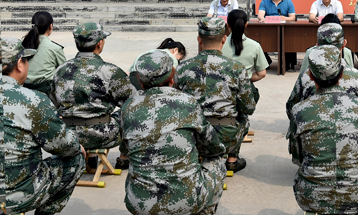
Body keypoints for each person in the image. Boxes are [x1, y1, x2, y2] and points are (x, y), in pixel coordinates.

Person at [121, 50, 227, 215]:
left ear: (140, 82)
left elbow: (126, 150)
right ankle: (205, 211)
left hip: (140, 203)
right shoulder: (188, 103)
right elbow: (212, 146)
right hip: (187, 202)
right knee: (218, 160)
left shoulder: (128, 107)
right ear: (172, 77)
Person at [1, 37, 86, 215]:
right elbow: (65, 147)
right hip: (17, 194)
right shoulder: (33, 100)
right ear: (19, 64)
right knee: (76, 158)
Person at [289, 45, 358, 215]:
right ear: (342, 74)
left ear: (311, 75)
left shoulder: (299, 111)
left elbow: (297, 157)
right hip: (356, 193)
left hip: (312, 195)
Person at [287, 23, 358, 166]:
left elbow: (291, 111)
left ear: (316, 45)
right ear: (344, 44)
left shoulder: (306, 77)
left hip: (314, 155)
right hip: (353, 156)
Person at [50, 22, 136, 170]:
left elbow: (53, 100)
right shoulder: (110, 70)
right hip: (102, 134)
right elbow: (133, 101)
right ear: (100, 43)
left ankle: (91, 158)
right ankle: (124, 158)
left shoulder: (61, 70)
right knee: (132, 111)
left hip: (68, 134)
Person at [176, 17, 256, 173]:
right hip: (226, 138)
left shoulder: (182, 68)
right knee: (243, 118)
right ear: (224, 39)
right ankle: (232, 159)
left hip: (192, 137)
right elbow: (248, 107)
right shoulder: (236, 68)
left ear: (199, 39)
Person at [222, 9, 270, 103]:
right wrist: (245, 79)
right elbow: (262, 74)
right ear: (246, 25)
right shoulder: (255, 46)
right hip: (245, 94)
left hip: (222, 90)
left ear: (227, 25)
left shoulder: (219, 45)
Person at [21, 11, 66, 95]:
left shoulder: (22, 45)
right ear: (51, 27)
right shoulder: (55, 48)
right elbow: (64, 72)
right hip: (47, 93)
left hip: (24, 90)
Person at [258, 0, 297, 68]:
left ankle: (287, 63)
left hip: (285, 30)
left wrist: (285, 18)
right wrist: (263, 19)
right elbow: (260, 15)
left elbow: (293, 17)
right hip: (268, 29)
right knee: (260, 39)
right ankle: (266, 61)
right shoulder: (264, 2)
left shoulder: (288, 2)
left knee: (290, 39)